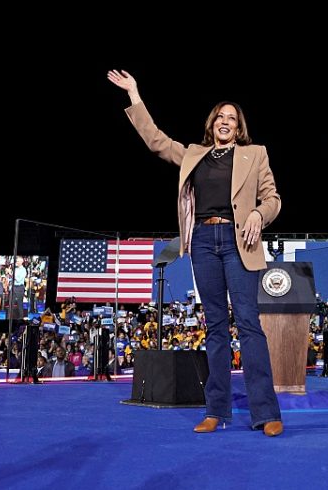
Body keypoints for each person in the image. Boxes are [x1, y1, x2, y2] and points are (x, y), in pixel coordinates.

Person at [108, 69, 283, 436]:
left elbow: (273, 199)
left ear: (239, 128)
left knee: (249, 325)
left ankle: (266, 413)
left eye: (231, 119)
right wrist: (135, 95)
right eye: (220, 117)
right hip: (203, 241)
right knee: (216, 327)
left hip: (240, 244)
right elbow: (155, 140)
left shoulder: (255, 154)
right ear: (212, 123)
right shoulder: (194, 154)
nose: (225, 122)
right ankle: (215, 411)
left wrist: (257, 212)